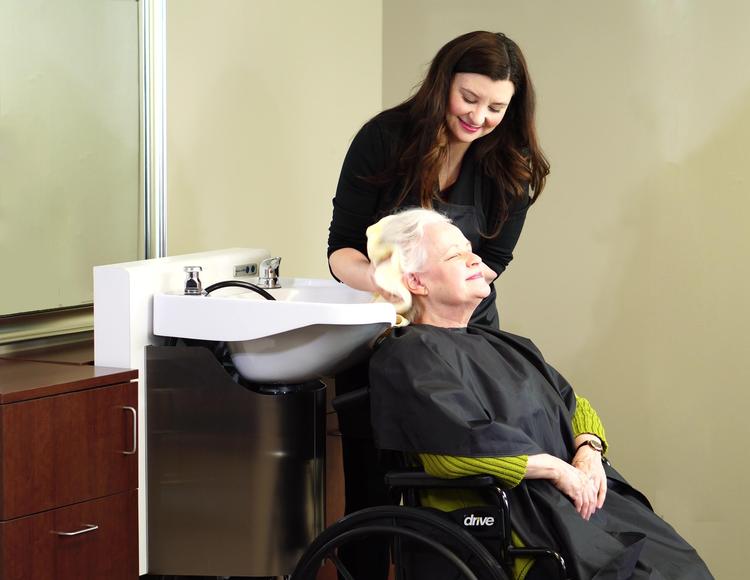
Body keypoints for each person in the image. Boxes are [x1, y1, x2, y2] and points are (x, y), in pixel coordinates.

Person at [366, 208, 713, 580]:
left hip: (582, 497)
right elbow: (449, 450)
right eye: (455, 255)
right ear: (417, 281)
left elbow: (572, 403)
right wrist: (556, 469)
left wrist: (588, 452)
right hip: (523, 511)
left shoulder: (507, 343)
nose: (475, 259)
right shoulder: (408, 353)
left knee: (681, 566)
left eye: (470, 249)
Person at [327, 31, 549, 577]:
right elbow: (341, 251)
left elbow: (487, 265)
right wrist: (391, 285)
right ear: (442, 83)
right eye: (469, 99)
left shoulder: (511, 167)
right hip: (381, 336)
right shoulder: (384, 139)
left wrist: (438, 301)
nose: (480, 117)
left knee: (466, 488)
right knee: (373, 492)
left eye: (497, 107)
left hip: (461, 339)